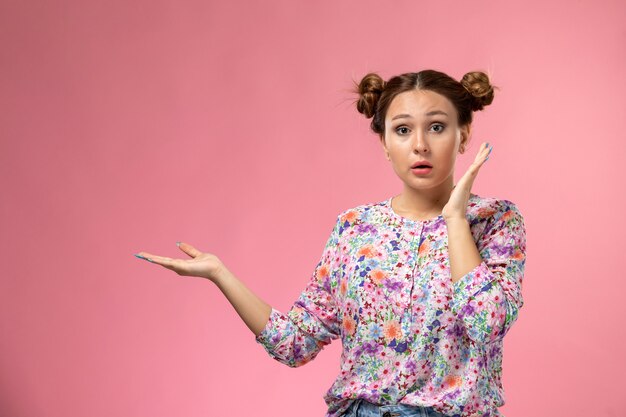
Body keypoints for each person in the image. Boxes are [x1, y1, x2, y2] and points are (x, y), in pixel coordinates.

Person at [134, 69, 527, 417]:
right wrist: (219, 273)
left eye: (437, 127)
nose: (420, 144)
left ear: (464, 135)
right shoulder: (355, 228)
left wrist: (456, 219)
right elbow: (295, 344)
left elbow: (486, 325)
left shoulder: (496, 221)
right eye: (403, 130)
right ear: (385, 144)